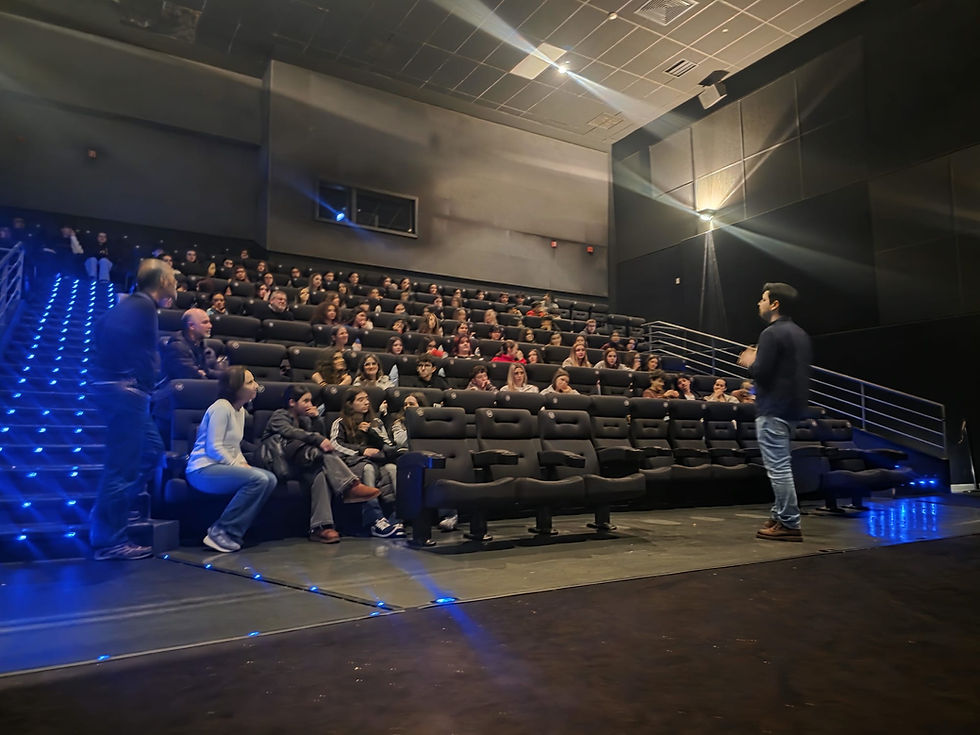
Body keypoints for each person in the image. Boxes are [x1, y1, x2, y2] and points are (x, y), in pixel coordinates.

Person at [89, 258, 177, 560]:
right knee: (121, 468)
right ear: (163, 281)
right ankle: (108, 539)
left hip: (124, 390)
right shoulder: (141, 306)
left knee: (152, 450)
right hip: (127, 391)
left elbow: (100, 328)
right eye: (173, 277)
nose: (176, 282)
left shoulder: (132, 305)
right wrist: (139, 375)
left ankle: (112, 514)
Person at [738, 282, 812, 543]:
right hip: (792, 409)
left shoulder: (770, 333)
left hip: (773, 409)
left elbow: (761, 372)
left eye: (763, 299)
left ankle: (789, 522)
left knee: (778, 468)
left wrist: (750, 361)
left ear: (775, 304)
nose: (759, 303)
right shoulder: (800, 334)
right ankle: (779, 515)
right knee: (782, 465)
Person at [261, 386, 380, 544]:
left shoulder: (304, 419)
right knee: (323, 455)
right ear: (291, 402)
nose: (310, 404)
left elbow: (320, 440)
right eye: (306, 401)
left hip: (302, 463)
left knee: (321, 475)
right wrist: (318, 439)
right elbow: (292, 433)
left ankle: (320, 528)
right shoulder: (279, 416)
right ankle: (350, 486)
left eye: (311, 400)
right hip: (280, 463)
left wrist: (316, 419)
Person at [185, 368, 277, 553]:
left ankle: (232, 532)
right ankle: (221, 530)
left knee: (269, 479)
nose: (256, 386)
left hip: (221, 468)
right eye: (250, 382)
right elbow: (214, 447)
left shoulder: (240, 411)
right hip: (202, 469)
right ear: (235, 387)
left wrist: (244, 464)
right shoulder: (221, 407)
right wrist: (238, 465)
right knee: (259, 479)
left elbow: (234, 448)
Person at [330, 390, 403, 538]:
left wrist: (371, 432)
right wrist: (362, 451)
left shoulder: (375, 422)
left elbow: (388, 445)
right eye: (360, 399)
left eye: (367, 399)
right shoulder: (340, 422)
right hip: (351, 463)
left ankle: (397, 518)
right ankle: (376, 519)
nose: (366, 402)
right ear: (350, 404)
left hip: (376, 462)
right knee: (368, 469)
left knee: (393, 469)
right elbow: (335, 445)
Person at [161, 308, 227, 381]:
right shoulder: (177, 347)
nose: (210, 326)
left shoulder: (205, 348)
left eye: (209, 322)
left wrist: (207, 373)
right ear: (191, 326)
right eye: (205, 322)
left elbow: (217, 373)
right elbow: (192, 378)